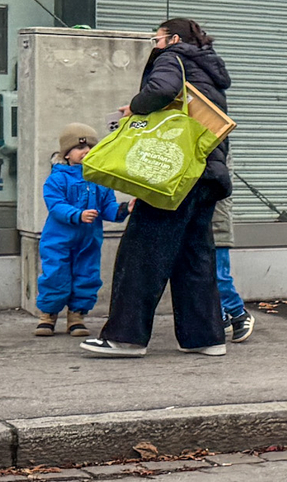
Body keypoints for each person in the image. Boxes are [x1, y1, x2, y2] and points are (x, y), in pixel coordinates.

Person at [81, 18, 233, 359]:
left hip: (175, 174)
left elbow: (162, 90)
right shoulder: (208, 70)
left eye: (157, 37)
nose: (155, 43)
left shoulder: (172, 57)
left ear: (174, 38)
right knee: (194, 256)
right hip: (207, 173)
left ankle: (125, 338)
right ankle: (206, 338)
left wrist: (136, 106)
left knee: (142, 251)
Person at [35, 123, 125, 336]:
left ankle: (77, 316)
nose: (86, 152)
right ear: (67, 154)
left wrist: (124, 209)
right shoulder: (57, 178)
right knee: (55, 274)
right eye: (79, 148)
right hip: (58, 240)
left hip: (89, 240)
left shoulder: (100, 179)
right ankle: (48, 314)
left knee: (87, 275)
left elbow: (108, 207)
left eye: (90, 148)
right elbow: (56, 205)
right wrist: (78, 215)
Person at [214, 195, 254, 343]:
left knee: (218, 276)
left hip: (216, 226)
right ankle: (220, 316)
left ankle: (238, 313)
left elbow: (220, 180)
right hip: (199, 223)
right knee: (200, 276)